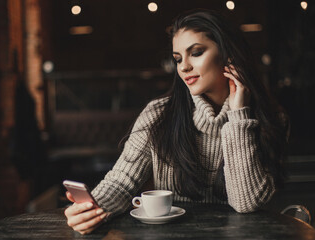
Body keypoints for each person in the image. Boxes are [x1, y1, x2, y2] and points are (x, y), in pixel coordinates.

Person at [64, 9, 288, 235]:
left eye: (197, 52)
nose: (184, 67)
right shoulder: (159, 114)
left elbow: (246, 203)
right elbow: (121, 183)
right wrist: (92, 208)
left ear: (229, 54)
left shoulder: (271, 120)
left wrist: (239, 115)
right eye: (178, 58)